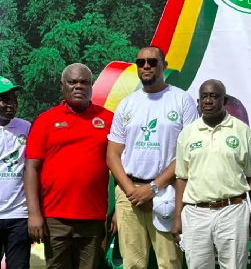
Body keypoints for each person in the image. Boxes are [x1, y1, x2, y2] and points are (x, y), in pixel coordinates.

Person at [106, 46, 197, 269]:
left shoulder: (182, 100)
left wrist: (153, 188)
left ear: (164, 66)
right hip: (129, 195)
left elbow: (188, 153)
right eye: (141, 62)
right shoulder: (127, 104)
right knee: (133, 264)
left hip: (167, 193)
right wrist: (131, 191)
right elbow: (113, 154)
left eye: (152, 62)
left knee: (170, 263)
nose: (146, 66)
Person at [24, 63, 114, 269]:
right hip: (55, 217)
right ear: (62, 85)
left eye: (84, 82)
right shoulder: (46, 120)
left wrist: (117, 210)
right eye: (72, 82)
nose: (79, 86)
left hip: (93, 216)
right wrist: (34, 214)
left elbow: (120, 165)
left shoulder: (108, 119)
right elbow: (32, 169)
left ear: (92, 86)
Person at [173, 80, 251, 268]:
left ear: (224, 99)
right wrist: (178, 217)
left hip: (232, 209)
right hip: (196, 212)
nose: (209, 101)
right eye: (204, 96)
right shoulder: (187, 134)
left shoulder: (242, 131)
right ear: (198, 102)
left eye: (214, 96)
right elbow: (182, 178)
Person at [0, 77, 30, 268]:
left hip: (19, 215)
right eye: (5, 99)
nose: (11, 104)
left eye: (14, 99)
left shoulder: (26, 127)